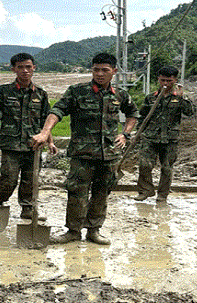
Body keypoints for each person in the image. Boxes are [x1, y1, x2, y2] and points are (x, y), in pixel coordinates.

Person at [30, 53, 138, 245]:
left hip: (109, 155)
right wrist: (46, 132)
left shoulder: (120, 95)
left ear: (114, 71)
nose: (100, 74)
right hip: (82, 154)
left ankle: (94, 231)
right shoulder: (77, 91)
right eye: (96, 70)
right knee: (77, 193)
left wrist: (125, 134)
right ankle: (72, 231)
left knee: (102, 193)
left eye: (105, 70)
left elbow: (133, 114)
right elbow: (57, 111)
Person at [0, 53, 57, 221]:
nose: (25, 71)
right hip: (11, 144)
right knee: (8, 178)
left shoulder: (41, 94)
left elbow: (45, 121)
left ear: (34, 68)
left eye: (28, 67)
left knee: (30, 179)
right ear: (13, 69)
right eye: (20, 67)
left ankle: (28, 209)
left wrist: (50, 142)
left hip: (34, 144)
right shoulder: (3, 91)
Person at [133, 65, 195, 202]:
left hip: (170, 139)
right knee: (144, 164)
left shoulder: (179, 98)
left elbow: (190, 112)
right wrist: (138, 133)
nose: (165, 84)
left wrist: (182, 98)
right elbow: (142, 116)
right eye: (162, 81)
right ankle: (145, 190)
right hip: (150, 137)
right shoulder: (150, 98)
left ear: (175, 80)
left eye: (169, 81)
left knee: (167, 168)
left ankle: (162, 195)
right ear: (158, 80)